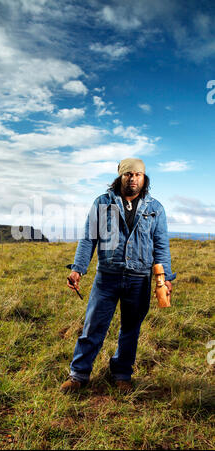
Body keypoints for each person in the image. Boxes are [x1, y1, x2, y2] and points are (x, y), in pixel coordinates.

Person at [61, 158, 176, 394]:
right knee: (93, 327)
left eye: (137, 175)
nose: (133, 179)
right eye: (128, 174)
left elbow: (161, 245)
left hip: (139, 278)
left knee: (131, 329)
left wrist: (166, 279)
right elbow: (88, 239)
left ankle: (122, 374)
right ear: (120, 177)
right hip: (107, 277)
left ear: (144, 178)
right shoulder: (102, 204)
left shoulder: (156, 208)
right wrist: (78, 269)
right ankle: (79, 375)